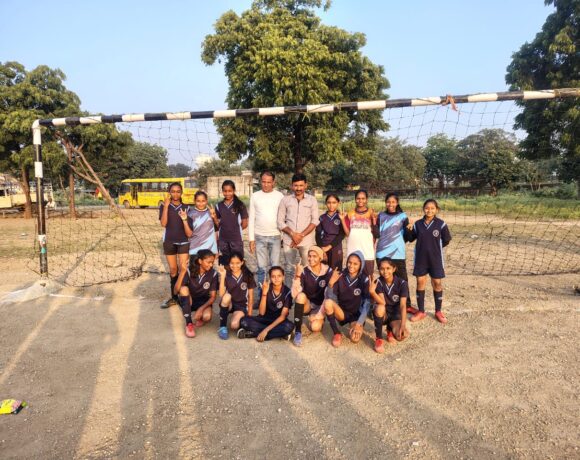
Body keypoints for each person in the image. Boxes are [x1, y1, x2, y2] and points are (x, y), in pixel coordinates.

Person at [407, 199, 452, 324]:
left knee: (437, 283)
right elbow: (410, 239)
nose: (429, 210)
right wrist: (409, 229)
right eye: (427, 208)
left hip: (435, 259)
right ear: (423, 209)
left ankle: (438, 311)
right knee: (420, 282)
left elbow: (446, 240)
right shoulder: (418, 224)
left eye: (432, 208)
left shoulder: (441, 224)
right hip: (421, 259)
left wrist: (435, 248)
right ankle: (421, 311)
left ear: (436, 210)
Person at [375, 192, 418, 314]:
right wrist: (373, 223)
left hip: (398, 253)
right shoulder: (380, 216)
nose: (390, 204)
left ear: (397, 203)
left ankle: (407, 305)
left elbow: (409, 238)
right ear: (385, 203)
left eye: (393, 202)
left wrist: (410, 229)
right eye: (388, 202)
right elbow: (376, 234)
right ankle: (384, 304)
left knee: (402, 279)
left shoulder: (403, 216)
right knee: (384, 279)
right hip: (382, 253)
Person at [277, 173, 319, 286]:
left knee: (307, 268)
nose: (298, 188)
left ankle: (305, 293)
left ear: (306, 185)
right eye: (296, 185)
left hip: (306, 241)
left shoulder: (312, 200)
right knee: (289, 269)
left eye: (301, 185)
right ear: (292, 186)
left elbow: (315, 221)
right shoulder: (285, 200)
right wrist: (293, 235)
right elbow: (280, 222)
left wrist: (300, 236)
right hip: (289, 241)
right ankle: (288, 294)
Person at [323, 251, 371, 348]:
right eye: (349, 262)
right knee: (328, 303)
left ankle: (354, 325)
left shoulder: (364, 279)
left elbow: (367, 303)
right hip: (342, 313)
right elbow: (332, 299)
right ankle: (336, 333)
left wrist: (359, 323)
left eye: (355, 264)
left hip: (356, 315)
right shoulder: (340, 275)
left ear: (361, 265)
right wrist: (331, 284)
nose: (351, 266)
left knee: (354, 339)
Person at [248, 171, 284, 296]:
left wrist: (282, 237)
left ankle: (275, 296)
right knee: (261, 268)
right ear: (260, 181)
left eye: (269, 182)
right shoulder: (255, 196)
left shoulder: (280, 196)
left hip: (275, 236)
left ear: (273, 182)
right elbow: (251, 218)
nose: (266, 184)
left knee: (275, 268)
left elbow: (283, 217)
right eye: (263, 182)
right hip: (259, 237)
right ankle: (261, 296)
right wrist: (251, 239)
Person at [290, 245, 333, 347]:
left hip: (321, 306)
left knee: (315, 328)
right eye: (309, 256)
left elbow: (329, 296)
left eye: (314, 256)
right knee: (301, 296)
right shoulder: (304, 271)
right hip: (308, 304)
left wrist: (318, 315)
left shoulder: (328, 271)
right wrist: (297, 275)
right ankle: (298, 332)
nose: (311, 259)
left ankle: (317, 319)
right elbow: (294, 295)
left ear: (320, 258)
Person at [237, 266, 294, 341]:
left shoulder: (287, 292)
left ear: (283, 277)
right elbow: (261, 313)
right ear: (270, 278)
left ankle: (253, 334)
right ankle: (278, 334)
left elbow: (283, 316)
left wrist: (266, 330)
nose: (276, 279)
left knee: (289, 327)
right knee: (244, 321)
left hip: (278, 321)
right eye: (273, 276)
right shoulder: (265, 288)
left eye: (279, 276)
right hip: (264, 319)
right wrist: (264, 294)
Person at [159, 182, 193, 309]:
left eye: (178, 191)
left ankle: (184, 296)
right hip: (169, 242)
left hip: (183, 242)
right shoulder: (164, 206)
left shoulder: (187, 208)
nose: (175, 194)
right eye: (173, 191)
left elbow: (189, 230)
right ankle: (174, 297)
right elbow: (163, 224)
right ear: (169, 192)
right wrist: (166, 206)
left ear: (181, 192)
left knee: (183, 269)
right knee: (173, 270)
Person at [369, 257, 410, 354]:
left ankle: (389, 330)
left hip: (395, 314)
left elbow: (403, 305)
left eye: (388, 268)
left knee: (402, 335)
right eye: (382, 269)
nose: (385, 271)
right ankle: (379, 339)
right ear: (379, 270)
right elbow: (382, 302)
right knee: (380, 308)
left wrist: (403, 325)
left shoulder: (402, 283)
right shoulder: (378, 282)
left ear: (394, 269)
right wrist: (372, 292)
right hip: (384, 313)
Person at [174, 249, 218, 337]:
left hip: (203, 301)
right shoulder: (189, 271)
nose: (211, 265)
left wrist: (201, 309)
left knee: (207, 317)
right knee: (183, 289)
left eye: (212, 262)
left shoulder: (213, 274)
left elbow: (213, 297)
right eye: (208, 262)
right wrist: (182, 271)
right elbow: (175, 291)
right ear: (200, 261)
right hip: (190, 300)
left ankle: (199, 316)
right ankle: (189, 324)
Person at [217, 252, 256, 339]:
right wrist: (222, 276)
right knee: (227, 297)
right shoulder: (226, 274)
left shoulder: (248, 275)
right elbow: (221, 294)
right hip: (230, 303)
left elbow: (251, 297)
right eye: (232, 263)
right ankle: (222, 327)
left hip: (241, 306)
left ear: (242, 262)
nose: (234, 266)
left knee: (234, 325)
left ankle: (241, 321)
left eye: (237, 263)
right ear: (229, 263)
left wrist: (249, 316)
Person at [342, 190, 379, 276]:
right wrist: (342, 220)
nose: (360, 200)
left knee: (368, 277)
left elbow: (376, 233)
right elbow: (348, 234)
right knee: (353, 277)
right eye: (358, 198)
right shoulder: (350, 214)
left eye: (363, 198)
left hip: (367, 252)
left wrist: (374, 220)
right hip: (353, 250)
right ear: (355, 199)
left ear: (366, 199)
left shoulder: (372, 213)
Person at [215, 180, 248, 266]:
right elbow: (217, 225)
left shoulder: (240, 205)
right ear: (222, 191)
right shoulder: (218, 206)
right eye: (225, 191)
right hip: (223, 240)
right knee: (225, 264)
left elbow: (245, 224)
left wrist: (234, 229)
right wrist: (214, 217)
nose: (227, 193)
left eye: (230, 191)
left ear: (234, 191)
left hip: (236, 240)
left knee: (237, 264)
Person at [315, 194, 345, 270]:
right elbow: (318, 234)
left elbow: (341, 235)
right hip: (323, 247)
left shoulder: (341, 217)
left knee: (336, 271)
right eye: (329, 202)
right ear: (326, 203)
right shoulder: (322, 217)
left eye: (334, 202)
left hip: (336, 247)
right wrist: (321, 248)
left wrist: (329, 247)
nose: (331, 205)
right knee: (323, 270)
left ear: (338, 203)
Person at [187, 190, 219, 257]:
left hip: (210, 248)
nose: (201, 203)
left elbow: (218, 228)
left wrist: (214, 217)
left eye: (203, 201)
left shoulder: (211, 212)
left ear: (206, 201)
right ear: (194, 201)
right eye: (198, 201)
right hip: (195, 248)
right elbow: (188, 233)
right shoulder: (190, 214)